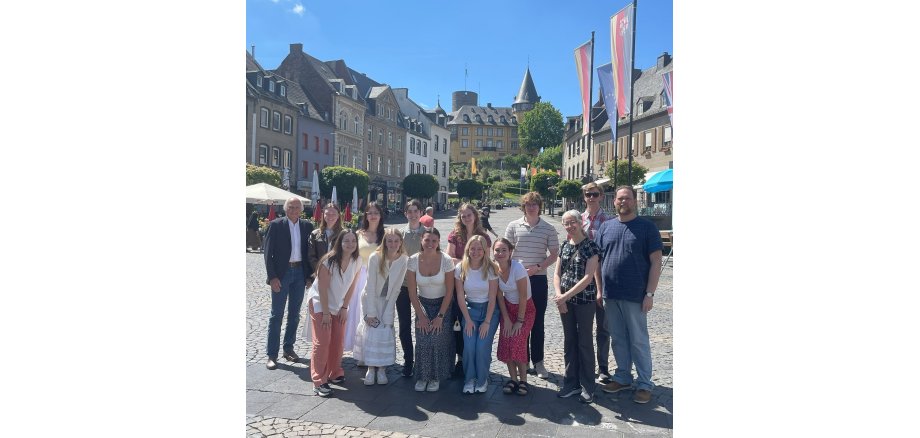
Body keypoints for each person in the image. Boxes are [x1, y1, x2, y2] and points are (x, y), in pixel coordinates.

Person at [596, 186, 663, 404]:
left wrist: (650, 293)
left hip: (636, 295)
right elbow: (597, 261)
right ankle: (623, 376)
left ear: (634, 201)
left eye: (627, 198)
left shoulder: (647, 227)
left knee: (638, 340)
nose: (622, 202)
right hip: (611, 294)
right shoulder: (606, 227)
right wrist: (599, 288)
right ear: (614, 201)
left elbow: (656, 262)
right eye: (619, 199)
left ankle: (644, 383)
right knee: (618, 339)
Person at [504, 192, 560, 379]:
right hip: (517, 280)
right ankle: (523, 360)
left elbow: (553, 254)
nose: (531, 207)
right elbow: (507, 252)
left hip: (537, 279)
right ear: (524, 207)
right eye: (528, 204)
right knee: (520, 319)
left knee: (537, 322)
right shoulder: (513, 226)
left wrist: (537, 267)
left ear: (539, 206)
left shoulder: (549, 228)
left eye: (535, 204)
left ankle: (539, 362)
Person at [305, 229, 363, 397]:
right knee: (322, 341)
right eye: (346, 241)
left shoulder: (357, 260)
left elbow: (352, 286)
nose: (350, 244)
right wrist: (325, 314)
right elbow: (322, 289)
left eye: (353, 241)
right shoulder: (328, 261)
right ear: (339, 243)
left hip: (338, 305)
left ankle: (334, 371)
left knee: (338, 339)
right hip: (320, 304)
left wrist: (345, 308)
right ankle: (319, 380)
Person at [553, 210, 602, 404]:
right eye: (566, 223)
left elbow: (588, 277)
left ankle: (588, 386)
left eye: (573, 222)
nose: (570, 226)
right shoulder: (564, 245)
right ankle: (571, 383)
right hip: (565, 301)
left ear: (580, 222)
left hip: (584, 301)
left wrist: (564, 296)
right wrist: (560, 297)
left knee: (584, 342)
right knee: (569, 341)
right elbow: (557, 274)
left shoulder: (591, 246)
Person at [262, 198, 315, 370]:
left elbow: (310, 253)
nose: (294, 210)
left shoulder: (307, 226)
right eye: (290, 207)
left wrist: (309, 276)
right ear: (285, 209)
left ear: (301, 210)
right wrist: (272, 277)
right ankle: (272, 354)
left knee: (294, 314)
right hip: (281, 274)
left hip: (300, 273)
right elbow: (267, 253)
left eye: (297, 207)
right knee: (276, 314)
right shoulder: (276, 225)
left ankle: (288, 348)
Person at [354, 228, 409, 386]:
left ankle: (382, 368)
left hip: (387, 300)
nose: (393, 244)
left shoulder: (404, 260)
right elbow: (370, 286)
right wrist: (370, 311)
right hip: (370, 299)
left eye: (396, 241)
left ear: (400, 243)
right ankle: (371, 368)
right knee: (371, 331)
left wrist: (389, 310)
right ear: (384, 242)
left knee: (385, 329)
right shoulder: (375, 257)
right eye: (389, 241)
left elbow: (397, 288)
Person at [406, 227, 456, 392]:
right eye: (427, 240)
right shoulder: (413, 260)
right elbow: (412, 292)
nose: (430, 243)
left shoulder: (446, 260)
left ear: (438, 242)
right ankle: (422, 375)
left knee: (436, 338)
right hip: (423, 305)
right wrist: (420, 315)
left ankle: (436, 376)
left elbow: (450, 291)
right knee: (422, 338)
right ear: (421, 239)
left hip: (443, 305)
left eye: (434, 241)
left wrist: (441, 316)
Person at [447, 203, 493, 376]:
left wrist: (470, 265)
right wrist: (466, 264)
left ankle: (476, 359)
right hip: (459, 279)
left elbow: (486, 262)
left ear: (475, 216)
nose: (466, 218)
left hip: (477, 282)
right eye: (463, 215)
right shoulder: (455, 235)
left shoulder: (483, 236)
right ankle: (460, 357)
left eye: (469, 215)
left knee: (472, 321)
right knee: (458, 321)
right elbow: (449, 258)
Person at [453, 235, 499, 394]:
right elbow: (460, 295)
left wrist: (487, 322)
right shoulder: (461, 268)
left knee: (482, 346)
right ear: (468, 249)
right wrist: (467, 319)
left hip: (489, 312)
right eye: (472, 248)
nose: (476, 252)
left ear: (485, 250)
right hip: (469, 311)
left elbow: (493, 297)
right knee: (469, 346)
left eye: (480, 248)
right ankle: (470, 379)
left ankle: (482, 379)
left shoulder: (491, 268)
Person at [494, 238, 535, 396]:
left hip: (525, 309)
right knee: (506, 340)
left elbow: (523, 296)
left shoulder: (517, 268)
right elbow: (499, 296)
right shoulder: (494, 269)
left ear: (510, 252)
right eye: (497, 250)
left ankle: (523, 380)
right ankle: (513, 379)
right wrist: (506, 320)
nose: (500, 253)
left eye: (504, 250)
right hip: (508, 308)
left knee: (517, 340)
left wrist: (519, 321)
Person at [581, 182, 613, 383]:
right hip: (582, 279)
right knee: (583, 326)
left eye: (594, 194)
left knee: (603, 327)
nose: (591, 197)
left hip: (601, 277)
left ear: (601, 196)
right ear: (584, 197)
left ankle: (603, 367)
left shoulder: (608, 221)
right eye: (587, 194)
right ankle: (585, 365)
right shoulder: (577, 220)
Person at [344, 202, 385, 352]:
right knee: (356, 313)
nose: (373, 216)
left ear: (380, 215)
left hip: (377, 279)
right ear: (365, 216)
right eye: (370, 213)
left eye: (376, 213)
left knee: (374, 313)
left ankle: (371, 349)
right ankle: (359, 349)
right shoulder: (357, 234)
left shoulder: (385, 236)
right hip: (358, 277)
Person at [397, 199, 425, 377]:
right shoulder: (400, 234)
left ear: (421, 213)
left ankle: (423, 360)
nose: (413, 214)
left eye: (416, 211)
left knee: (422, 324)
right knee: (404, 325)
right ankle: (408, 360)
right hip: (403, 285)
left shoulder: (427, 233)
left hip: (422, 287)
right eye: (410, 211)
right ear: (405, 213)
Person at [307, 203, 343, 282]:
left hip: (338, 274)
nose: (330, 216)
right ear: (323, 215)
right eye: (327, 214)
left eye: (333, 214)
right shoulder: (315, 234)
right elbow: (311, 256)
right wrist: (320, 271)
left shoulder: (344, 234)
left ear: (338, 216)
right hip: (319, 274)